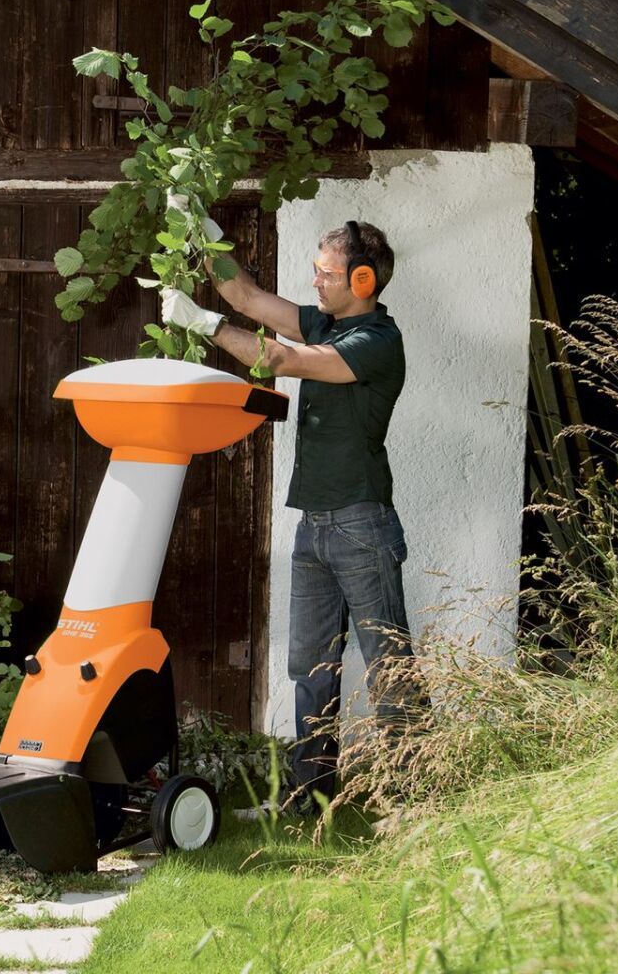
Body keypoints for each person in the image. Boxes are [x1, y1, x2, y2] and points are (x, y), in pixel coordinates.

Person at [160, 218, 417, 809]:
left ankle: (415, 798)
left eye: (326, 274)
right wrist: (198, 227)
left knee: (389, 666)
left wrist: (204, 324)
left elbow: (281, 359)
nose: (316, 281)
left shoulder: (377, 341)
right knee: (311, 667)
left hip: (362, 523)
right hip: (315, 524)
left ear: (363, 279)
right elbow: (246, 295)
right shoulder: (323, 320)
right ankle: (310, 796)